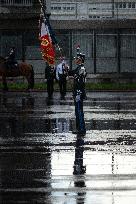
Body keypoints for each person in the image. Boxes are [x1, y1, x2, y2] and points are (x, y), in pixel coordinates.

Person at [69, 48, 87, 135]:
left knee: (79, 111)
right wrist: (66, 68)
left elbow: (80, 82)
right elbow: (71, 73)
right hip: (76, 92)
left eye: (77, 59)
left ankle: (82, 129)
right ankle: (79, 128)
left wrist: (78, 94)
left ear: (80, 60)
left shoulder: (82, 68)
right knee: (77, 111)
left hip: (79, 93)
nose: (75, 60)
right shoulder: (78, 68)